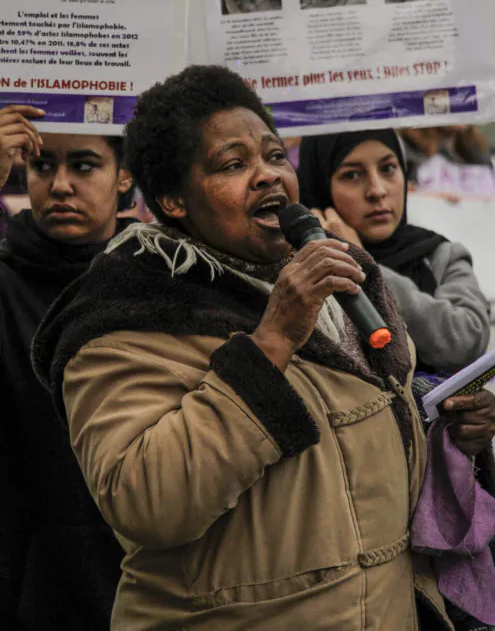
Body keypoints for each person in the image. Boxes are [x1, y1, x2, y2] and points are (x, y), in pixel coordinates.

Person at [32, 65, 495, 630]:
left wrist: (451, 437)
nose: (267, 177)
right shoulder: (127, 315)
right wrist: (271, 340)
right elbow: (147, 503)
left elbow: (350, 460)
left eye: (276, 157)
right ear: (174, 200)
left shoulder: (342, 288)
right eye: (233, 165)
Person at [0, 104, 135, 629]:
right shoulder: (7, 283)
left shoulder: (158, 278)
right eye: (41, 165)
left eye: (83, 165)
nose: (60, 185)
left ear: (124, 175)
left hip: (136, 582)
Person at [298, 129, 490, 376]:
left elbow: (466, 343)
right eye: (352, 175)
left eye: (388, 169)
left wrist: (364, 266)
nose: (377, 190)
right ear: (319, 185)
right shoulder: (300, 271)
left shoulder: (438, 255)